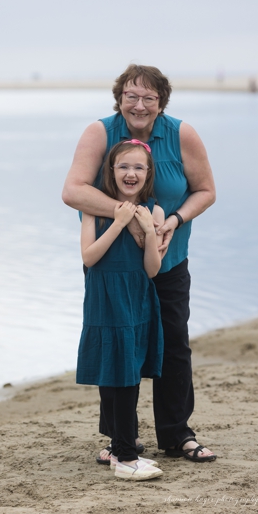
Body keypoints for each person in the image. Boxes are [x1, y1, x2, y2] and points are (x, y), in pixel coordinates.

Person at [62, 64, 217, 464]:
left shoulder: (181, 134)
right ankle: (118, 440)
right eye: (131, 96)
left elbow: (205, 191)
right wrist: (127, 214)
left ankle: (177, 434)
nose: (140, 104)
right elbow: (73, 191)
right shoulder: (100, 132)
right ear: (119, 99)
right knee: (118, 347)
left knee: (173, 347)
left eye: (150, 97)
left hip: (168, 262)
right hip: (112, 266)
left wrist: (173, 221)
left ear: (161, 102)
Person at [75, 139, 166, 480]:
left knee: (128, 371)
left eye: (138, 168)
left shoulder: (153, 210)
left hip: (137, 297)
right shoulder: (92, 209)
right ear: (111, 171)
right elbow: (89, 257)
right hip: (105, 298)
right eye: (124, 167)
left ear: (148, 173)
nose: (131, 173)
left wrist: (145, 229)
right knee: (115, 374)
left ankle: (119, 448)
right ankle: (126, 457)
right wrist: (118, 221)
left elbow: (153, 269)